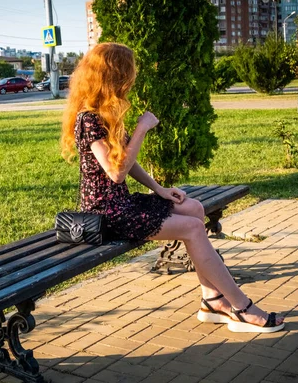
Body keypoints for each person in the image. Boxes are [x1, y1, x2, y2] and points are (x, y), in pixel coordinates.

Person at [60, 43, 284, 333]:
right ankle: (242, 307)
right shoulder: (88, 118)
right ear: (113, 75)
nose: (132, 78)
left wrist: (159, 189)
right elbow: (116, 172)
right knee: (193, 228)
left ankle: (211, 299)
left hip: (121, 203)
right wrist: (141, 129)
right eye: (128, 72)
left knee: (194, 209)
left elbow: (126, 162)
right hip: (107, 214)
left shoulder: (107, 112)